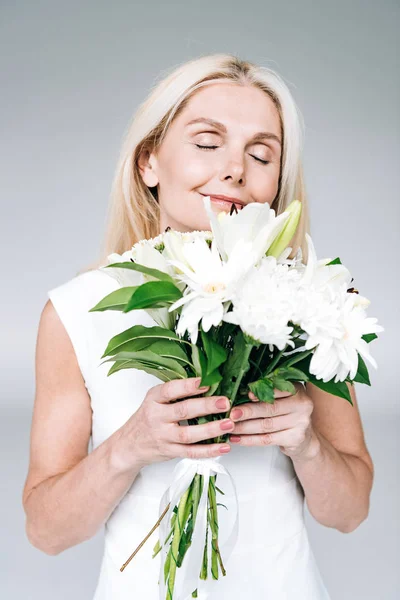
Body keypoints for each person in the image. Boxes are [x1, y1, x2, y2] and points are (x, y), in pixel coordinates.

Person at [22, 53, 374, 599]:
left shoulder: (313, 306)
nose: (235, 168)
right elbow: (46, 531)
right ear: (149, 163)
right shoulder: (78, 311)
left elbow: (350, 512)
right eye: (207, 143)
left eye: (261, 154)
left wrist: (308, 446)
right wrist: (129, 446)